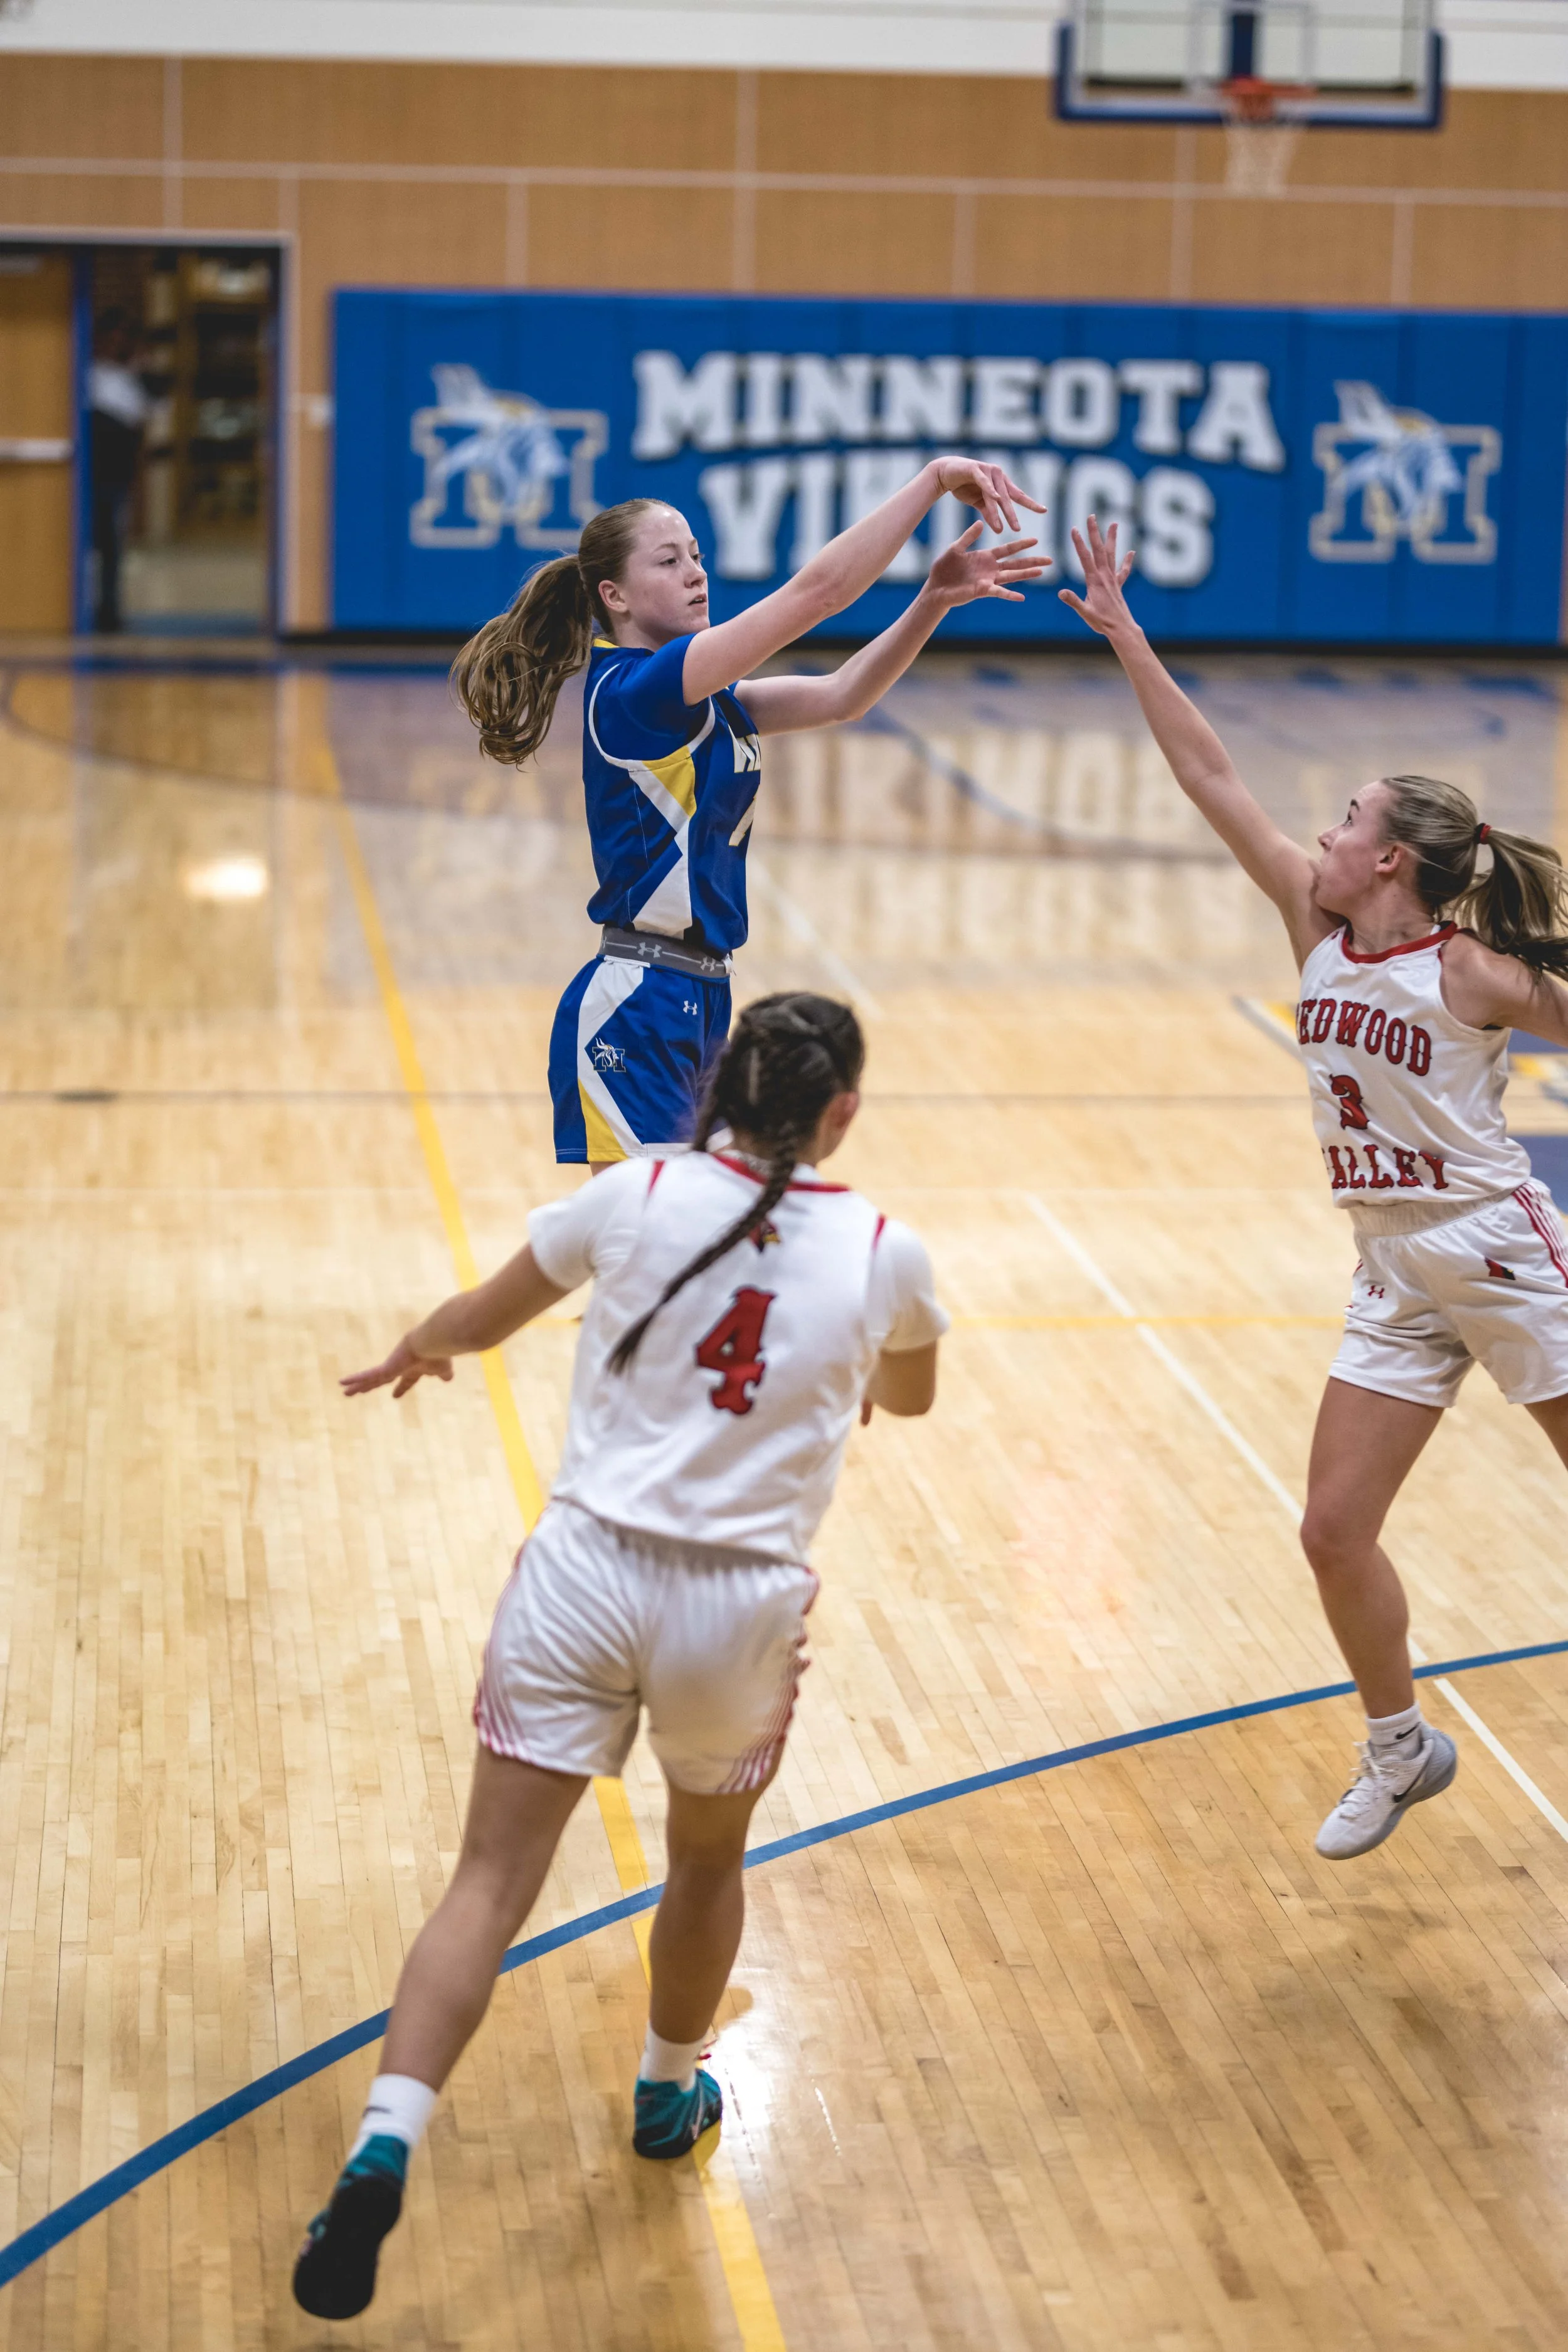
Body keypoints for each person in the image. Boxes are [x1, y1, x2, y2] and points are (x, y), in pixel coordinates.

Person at [293, 992, 948, 2321]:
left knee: (487, 1881)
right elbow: (907, 1395)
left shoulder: (634, 1190)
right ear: (841, 1116)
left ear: (717, 1090)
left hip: (582, 1576)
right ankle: (664, 2092)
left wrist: (423, 1346)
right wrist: (846, 1382)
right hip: (736, 1608)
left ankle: (387, 2140)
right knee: (706, 1859)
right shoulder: (885, 1249)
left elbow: (480, 1316)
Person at [1062, 512, 1568, 1862]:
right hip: (1390, 1264)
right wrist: (1124, 633)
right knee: (1331, 1531)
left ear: (1391, 858)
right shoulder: (1312, 919)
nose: (1325, 829)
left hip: (1497, 1247)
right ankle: (1399, 1748)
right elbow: (1206, 772)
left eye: (1347, 818)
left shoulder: (1465, 970)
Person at [451, 461, 1047, 1172]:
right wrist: (932, 481)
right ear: (613, 595)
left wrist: (932, 600)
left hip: (699, 995)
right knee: (650, 1252)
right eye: (669, 562)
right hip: (637, 1004)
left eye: (697, 557)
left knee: (690, 1246)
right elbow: (818, 593)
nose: (696, 574)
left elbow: (843, 696)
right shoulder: (636, 692)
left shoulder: (710, 698)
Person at [87, 308, 150, 634]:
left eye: (124, 339)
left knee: (112, 550)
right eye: (113, 338)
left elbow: (140, 419)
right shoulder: (86, 376)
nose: (118, 344)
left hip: (116, 477)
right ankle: (82, 610)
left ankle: (109, 611)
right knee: (89, 547)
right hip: (89, 477)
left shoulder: (128, 381)